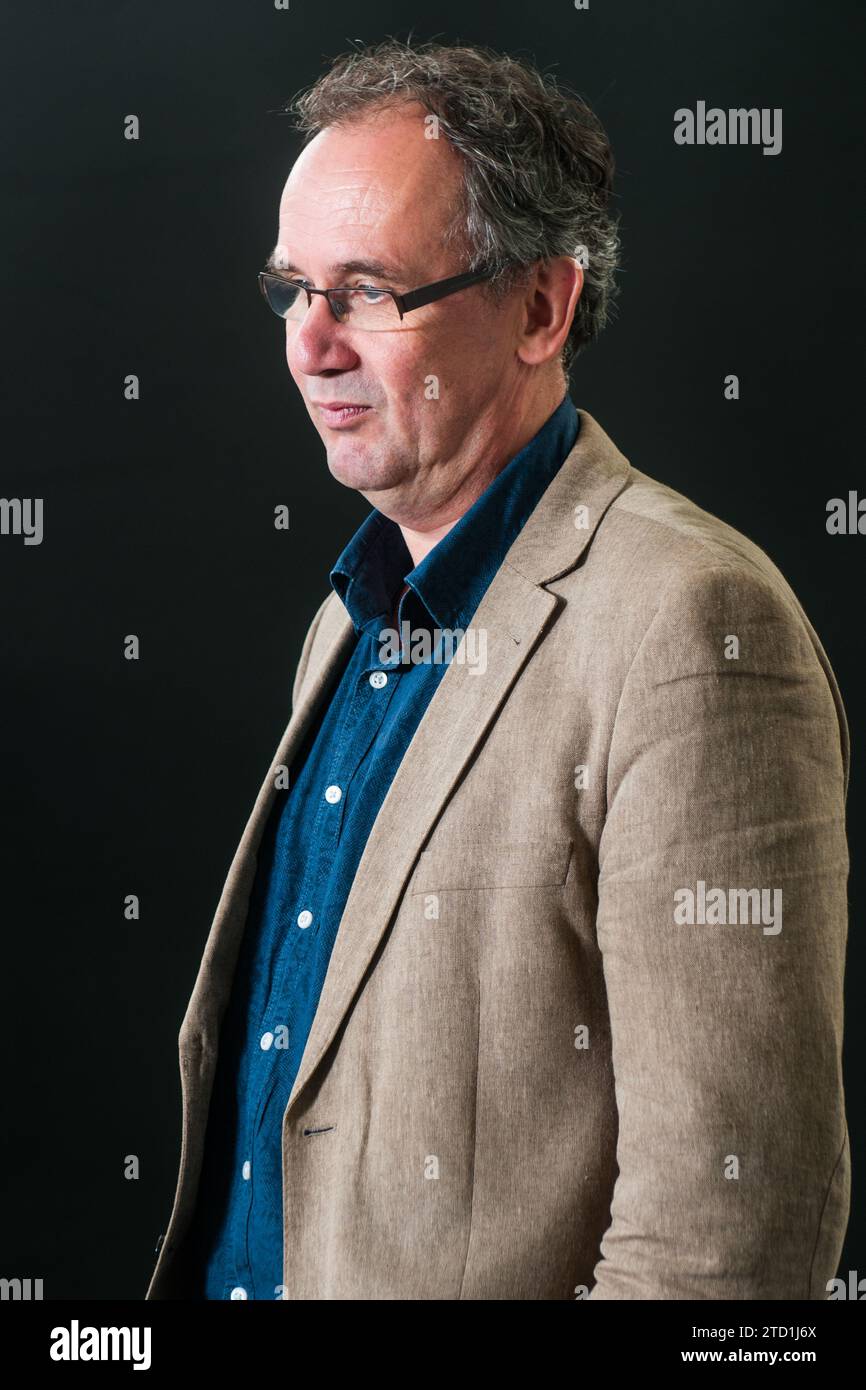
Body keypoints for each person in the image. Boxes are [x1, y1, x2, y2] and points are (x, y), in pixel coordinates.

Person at [146, 38, 850, 1301]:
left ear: (539, 308)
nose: (308, 347)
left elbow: (729, 1241)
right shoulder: (351, 615)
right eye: (290, 290)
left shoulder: (691, 627)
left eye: (364, 291)